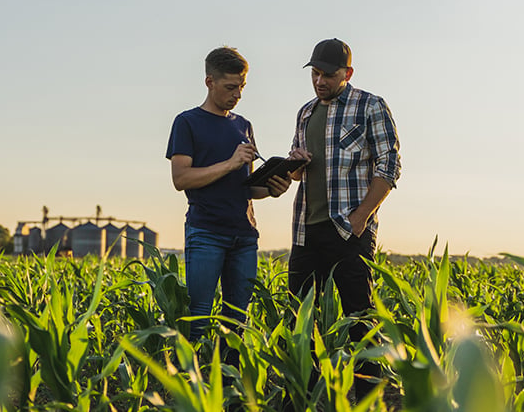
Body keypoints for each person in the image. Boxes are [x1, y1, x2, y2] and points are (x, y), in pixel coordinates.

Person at [287, 38, 401, 400]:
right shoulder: (305, 113)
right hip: (307, 229)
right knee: (300, 320)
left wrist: (361, 217)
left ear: (347, 73)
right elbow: (296, 177)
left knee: (360, 319)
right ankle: (307, 397)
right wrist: (295, 163)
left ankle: (369, 400)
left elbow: (390, 164)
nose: (320, 81)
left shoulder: (370, 106)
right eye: (315, 74)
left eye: (328, 75)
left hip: (349, 230)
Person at [166, 46, 292, 350]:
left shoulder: (243, 125)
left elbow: (245, 187)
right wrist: (231, 163)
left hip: (244, 236)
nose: (237, 95)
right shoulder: (187, 122)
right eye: (230, 87)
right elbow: (181, 179)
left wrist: (273, 188)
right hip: (206, 232)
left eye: (242, 87)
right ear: (209, 82)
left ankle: (232, 392)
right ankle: (193, 389)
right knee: (198, 318)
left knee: (237, 321)